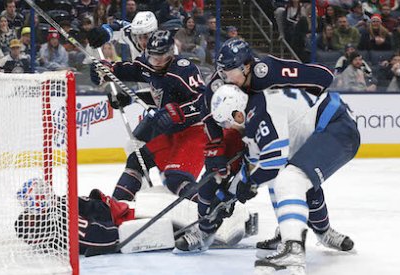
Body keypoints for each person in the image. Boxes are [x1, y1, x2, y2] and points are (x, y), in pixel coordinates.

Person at [174, 38, 352, 253]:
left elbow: (323, 77)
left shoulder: (267, 73)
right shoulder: (219, 84)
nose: (224, 77)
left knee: (292, 177)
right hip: (235, 126)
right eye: (221, 71)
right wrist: (216, 148)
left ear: (247, 66)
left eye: (229, 71)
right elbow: (210, 117)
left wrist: (303, 105)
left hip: (273, 125)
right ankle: (203, 231)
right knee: (213, 179)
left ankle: (319, 231)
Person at [209, 84, 360, 273]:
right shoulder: (252, 117)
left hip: (336, 124)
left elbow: (272, 163)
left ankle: (293, 248)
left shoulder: (259, 113)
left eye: (226, 123)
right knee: (289, 178)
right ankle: (317, 233)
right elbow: (254, 167)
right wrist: (226, 197)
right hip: (322, 129)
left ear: (237, 113)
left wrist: (249, 184)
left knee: (289, 179)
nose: (227, 128)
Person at [90, 30, 207, 202]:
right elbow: (128, 71)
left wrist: (178, 113)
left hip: (195, 133)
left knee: (176, 179)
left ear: (170, 54)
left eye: (160, 58)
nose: (156, 63)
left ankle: (205, 213)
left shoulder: (183, 70)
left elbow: (204, 101)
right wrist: (107, 70)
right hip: (172, 135)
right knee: (136, 160)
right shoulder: (149, 65)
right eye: (152, 58)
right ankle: (115, 210)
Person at [14, 178, 133, 255]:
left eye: (28, 208)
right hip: (117, 212)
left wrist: (128, 231)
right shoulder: (60, 209)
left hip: (123, 217)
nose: (26, 213)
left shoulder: (63, 222)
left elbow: (106, 237)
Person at [87, 11, 158, 61]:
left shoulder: (165, 45)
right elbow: (120, 27)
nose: (142, 42)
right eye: (139, 37)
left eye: (146, 37)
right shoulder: (131, 35)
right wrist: (106, 31)